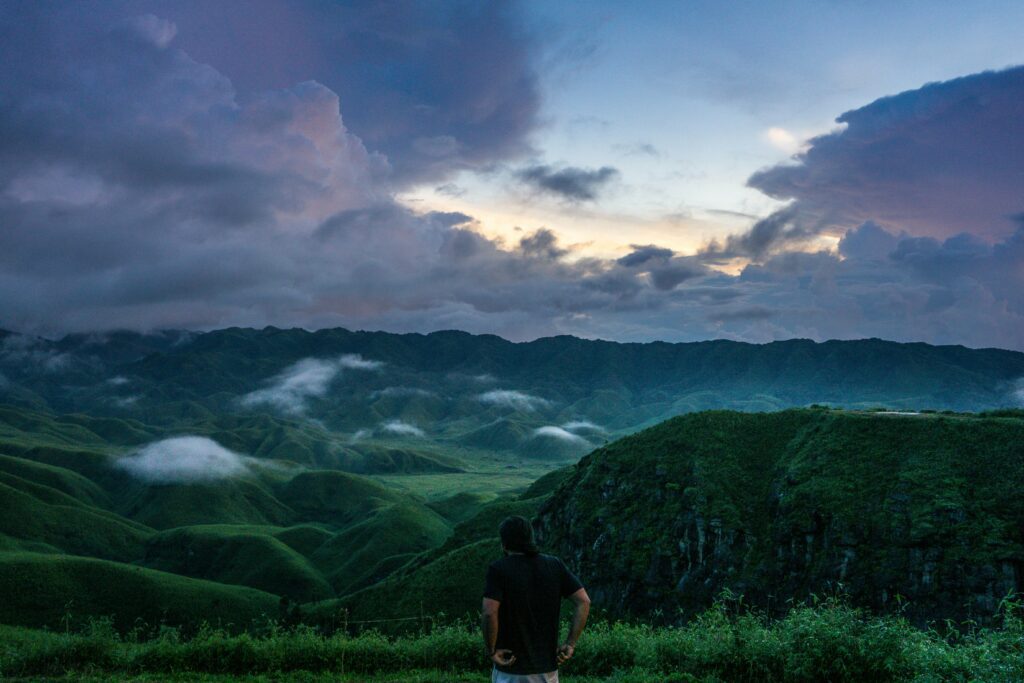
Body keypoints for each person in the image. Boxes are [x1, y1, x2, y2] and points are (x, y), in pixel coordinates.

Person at [482, 515, 591, 683]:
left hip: (511, 667)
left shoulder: (499, 569)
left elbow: (489, 612)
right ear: (530, 538)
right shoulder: (554, 564)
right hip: (547, 670)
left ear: (504, 543)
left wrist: (491, 650)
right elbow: (583, 601)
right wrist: (570, 644)